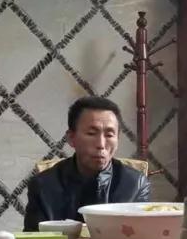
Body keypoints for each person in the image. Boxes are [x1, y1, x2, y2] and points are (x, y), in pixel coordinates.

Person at [24, 96, 150, 230]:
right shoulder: (43, 186)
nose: (101, 144)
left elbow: (140, 237)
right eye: (91, 133)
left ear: (118, 139)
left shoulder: (135, 185)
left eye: (109, 135)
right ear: (71, 138)